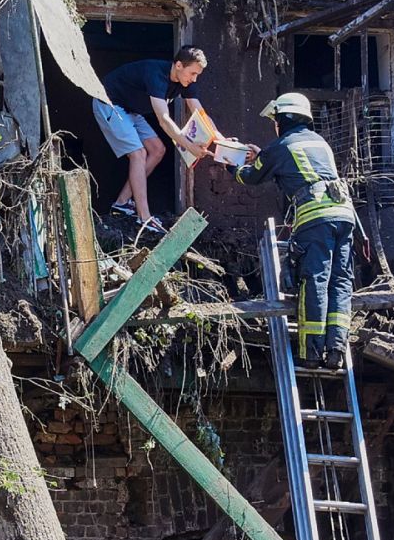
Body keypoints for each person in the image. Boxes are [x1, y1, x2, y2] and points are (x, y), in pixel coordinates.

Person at [229, 92, 356, 370]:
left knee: (315, 280)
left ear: (284, 119)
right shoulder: (319, 142)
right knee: (340, 281)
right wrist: (262, 155)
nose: (274, 125)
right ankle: (336, 349)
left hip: (316, 219)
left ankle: (311, 352)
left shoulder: (281, 146)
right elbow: (298, 165)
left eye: (275, 120)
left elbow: (251, 176)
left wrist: (232, 163)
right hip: (345, 215)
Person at [92, 46, 213, 233]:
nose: (194, 79)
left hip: (131, 110)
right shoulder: (156, 75)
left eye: (197, 74)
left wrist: (221, 139)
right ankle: (145, 217)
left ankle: (122, 202)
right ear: (179, 65)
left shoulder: (187, 82)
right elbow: (164, 120)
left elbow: (201, 113)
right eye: (192, 73)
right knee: (138, 153)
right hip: (109, 103)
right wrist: (189, 146)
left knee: (157, 150)